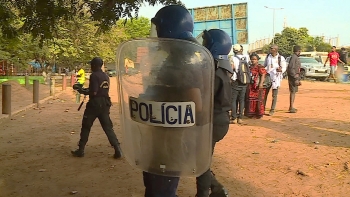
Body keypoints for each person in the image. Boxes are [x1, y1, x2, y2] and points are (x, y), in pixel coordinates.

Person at [196, 29, 232, 197]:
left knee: (200, 162)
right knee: (199, 159)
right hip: (219, 120)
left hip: (212, 121)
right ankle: (213, 188)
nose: (203, 45)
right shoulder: (222, 68)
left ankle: (208, 191)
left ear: (214, 46)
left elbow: (202, 100)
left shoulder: (214, 71)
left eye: (206, 43)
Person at [71, 57, 122, 159]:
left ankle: (80, 150)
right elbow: (99, 89)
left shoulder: (94, 76)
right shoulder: (106, 76)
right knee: (108, 128)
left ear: (94, 65)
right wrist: (85, 89)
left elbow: (93, 92)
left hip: (94, 105)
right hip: (105, 104)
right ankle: (117, 149)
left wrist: (81, 90)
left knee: (86, 126)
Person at [263, 44, 287, 116]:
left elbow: (284, 67)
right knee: (265, 94)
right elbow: (264, 65)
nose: (270, 49)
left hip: (276, 78)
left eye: (272, 48)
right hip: (268, 77)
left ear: (276, 50)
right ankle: (262, 109)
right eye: (270, 48)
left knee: (274, 95)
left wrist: (281, 70)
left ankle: (272, 110)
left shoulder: (281, 58)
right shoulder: (268, 57)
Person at [230, 44, 250, 124]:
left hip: (235, 80)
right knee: (242, 100)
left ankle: (234, 118)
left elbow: (232, 69)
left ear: (234, 50)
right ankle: (240, 118)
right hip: (244, 80)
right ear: (241, 50)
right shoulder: (246, 57)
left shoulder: (233, 58)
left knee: (233, 100)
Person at [244, 53, 267, 118]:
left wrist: (261, 84)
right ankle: (251, 113)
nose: (253, 60)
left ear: (257, 60)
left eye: (254, 59)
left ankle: (259, 113)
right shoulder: (249, 67)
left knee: (259, 100)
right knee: (251, 99)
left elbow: (263, 75)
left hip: (258, 86)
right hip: (251, 86)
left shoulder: (260, 67)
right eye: (252, 59)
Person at [287, 45, 302, 113]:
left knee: (294, 92)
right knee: (292, 92)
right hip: (293, 77)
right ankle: (291, 107)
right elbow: (291, 68)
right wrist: (295, 77)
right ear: (298, 51)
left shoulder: (296, 57)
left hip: (295, 77)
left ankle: (292, 106)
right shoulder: (294, 57)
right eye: (300, 51)